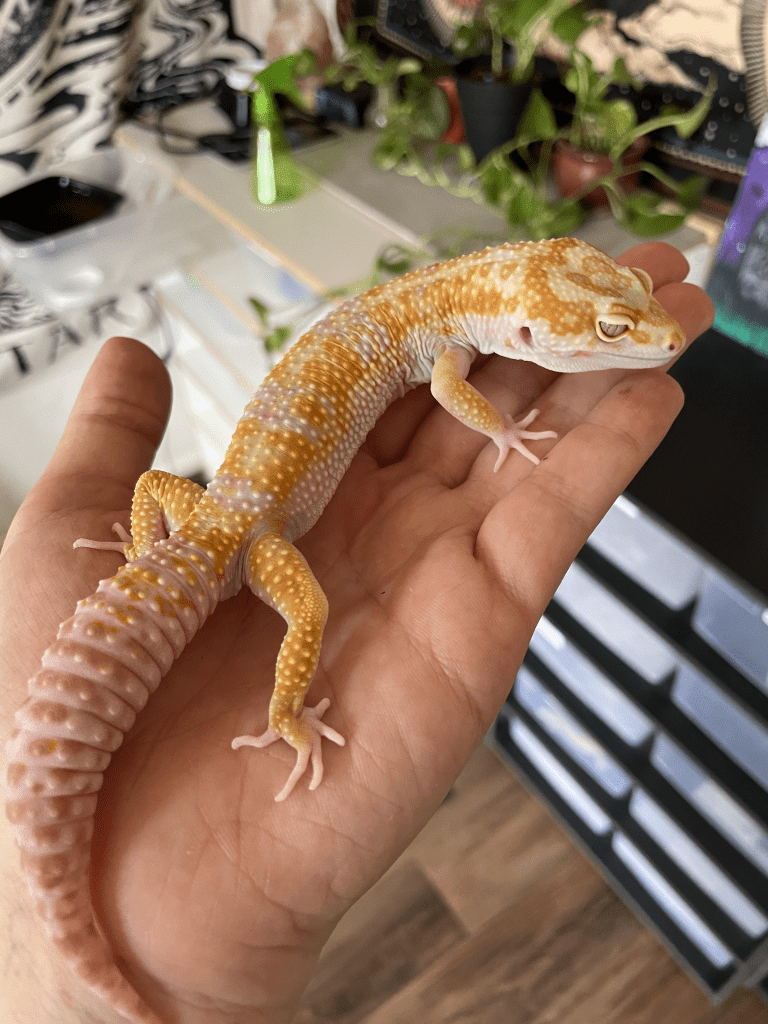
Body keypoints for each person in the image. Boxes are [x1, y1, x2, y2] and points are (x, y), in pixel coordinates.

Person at [0, 241, 714, 1023]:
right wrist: (501, 435)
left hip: (206, 515)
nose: (650, 337)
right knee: (307, 612)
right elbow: (455, 393)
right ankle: (282, 716)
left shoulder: (435, 305)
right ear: (521, 337)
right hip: (246, 537)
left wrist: (145, 555)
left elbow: (151, 486)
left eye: (624, 310)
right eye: (613, 330)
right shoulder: (455, 347)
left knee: (159, 491)